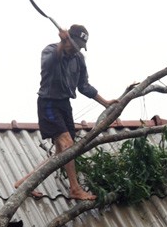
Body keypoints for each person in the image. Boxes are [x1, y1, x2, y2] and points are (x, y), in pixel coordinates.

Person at [14, 24, 118, 200]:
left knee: (62, 153)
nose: (77, 49)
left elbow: (83, 86)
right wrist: (62, 43)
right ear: (68, 39)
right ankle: (75, 189)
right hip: (48, 103)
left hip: (64, 105)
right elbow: (50, 63)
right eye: (75, 45)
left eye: (80, 47)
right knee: (68, 144)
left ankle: (24, 182)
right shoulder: (51, 50)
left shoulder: (79, 59)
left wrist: (106, 103)